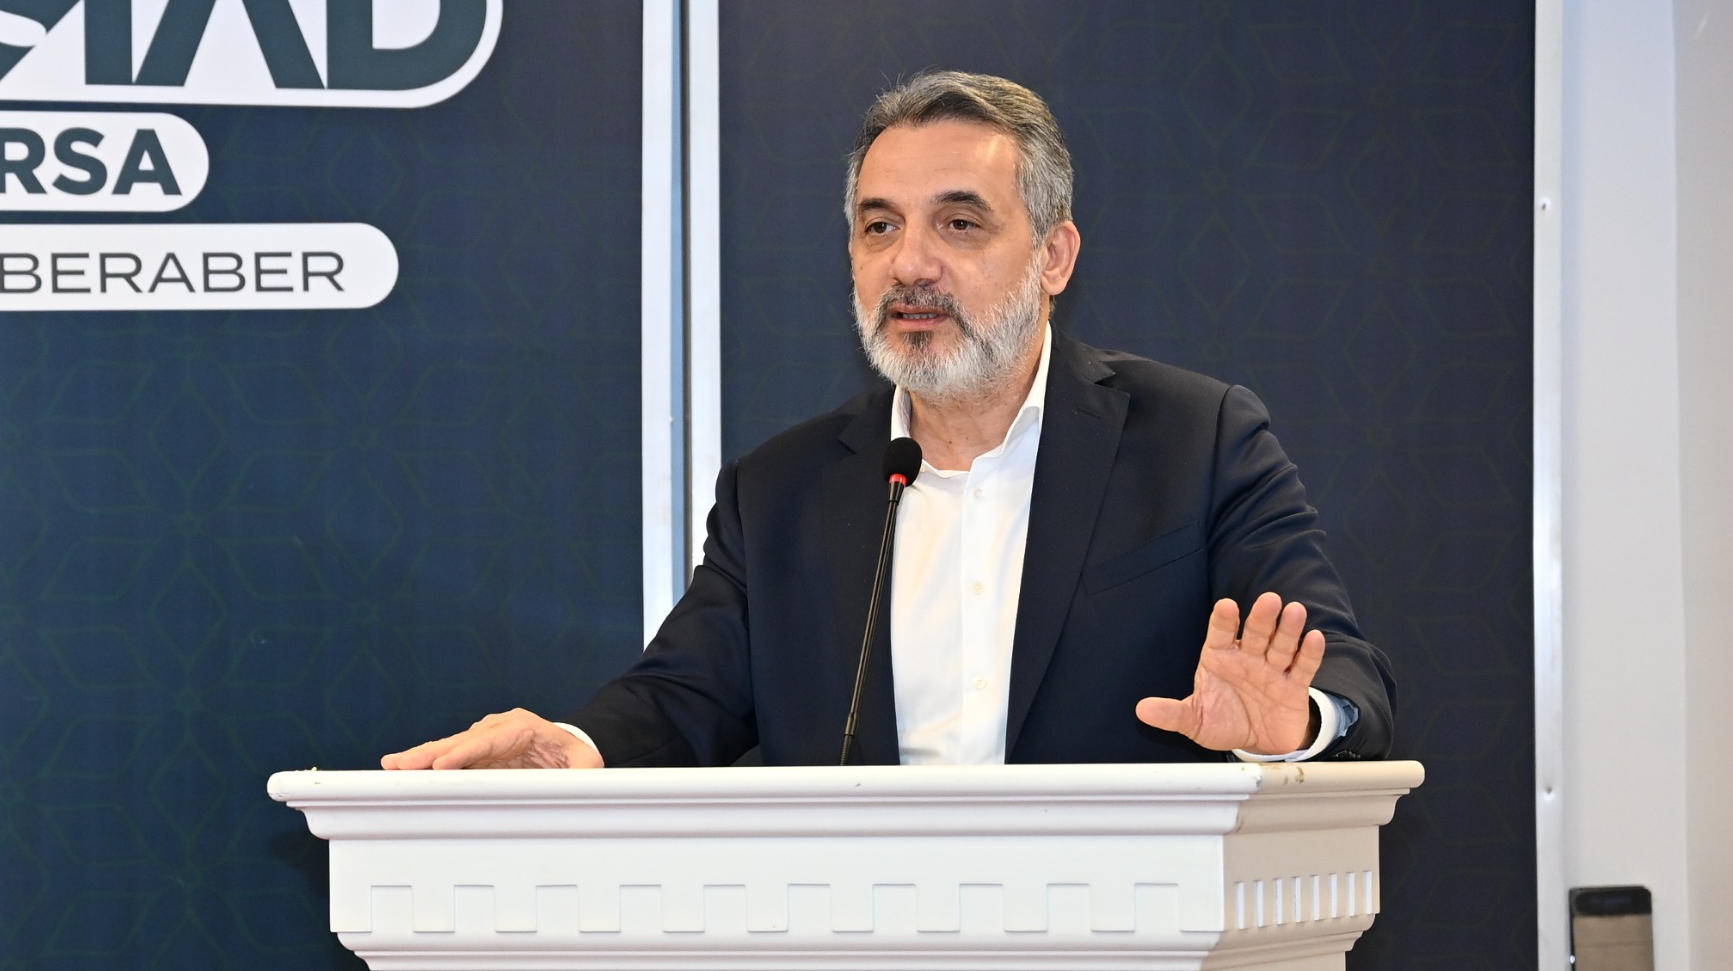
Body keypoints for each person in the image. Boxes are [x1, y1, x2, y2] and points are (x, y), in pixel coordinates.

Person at [382, 70, 1394, 772]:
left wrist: (1292, 721)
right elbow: (685, 695)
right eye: (879, 226)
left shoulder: (1196, 441)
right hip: (866, 967)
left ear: (1053, 258)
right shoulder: (780, 492)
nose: (910, 262)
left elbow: (1346, 672)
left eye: (959, 223)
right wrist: (569, 746)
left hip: (1132, 958)